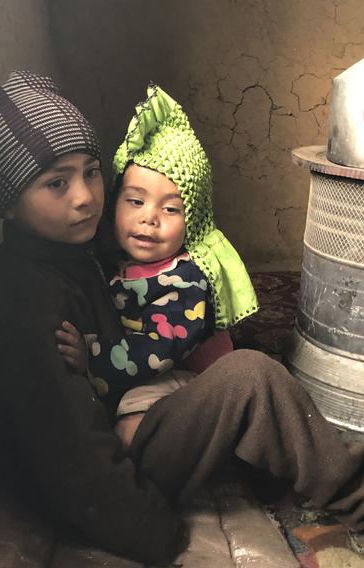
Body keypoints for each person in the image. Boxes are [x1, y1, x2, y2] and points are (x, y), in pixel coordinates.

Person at [0, 70, 364, 566]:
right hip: (116, 477)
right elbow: (70, 458)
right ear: (9, 202)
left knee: (246, 372)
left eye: (90, 171)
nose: (84, 197)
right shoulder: (21, 299)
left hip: (134, 419)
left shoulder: (71, 252)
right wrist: (158, 535)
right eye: (56, 183)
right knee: (251, 378)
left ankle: (292, 470)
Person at [53, 84, 259, 448]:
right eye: (135, 201)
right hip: (135, 363)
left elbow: (159, 351)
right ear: (115, 202)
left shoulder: (187, 280)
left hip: (187, 375)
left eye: (170, 209)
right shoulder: (112, 261)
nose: (149, 219)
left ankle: (158, 478)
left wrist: (91, 358)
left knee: (130, 425)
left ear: (192, 220)